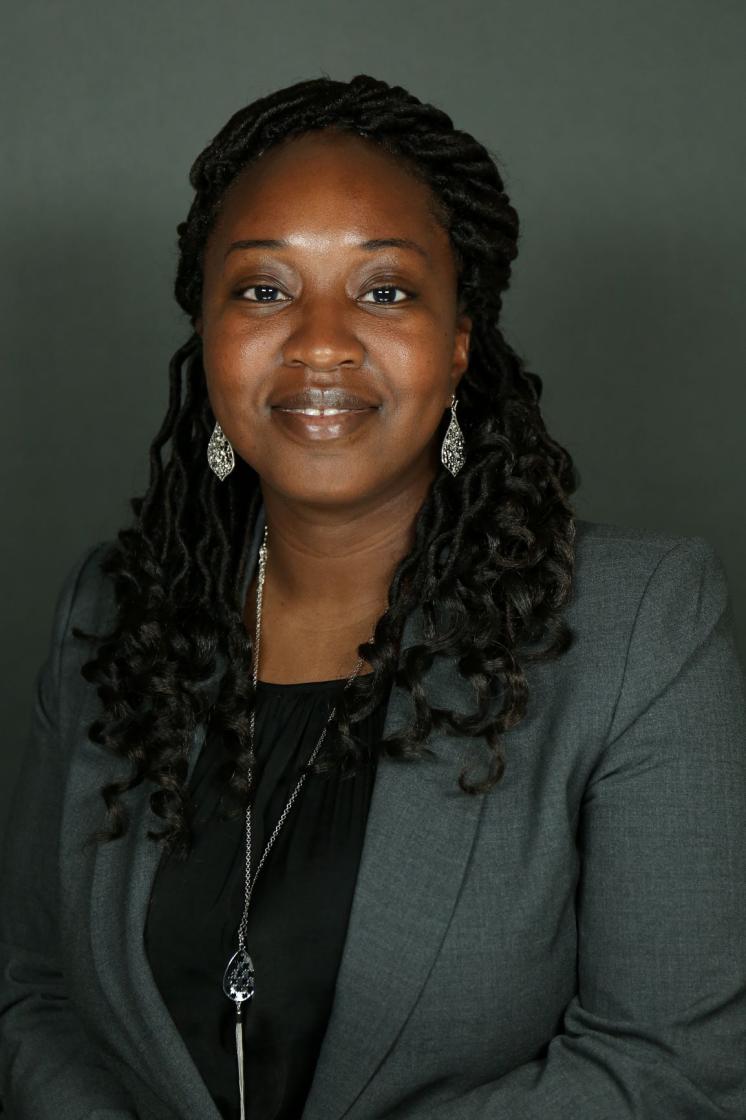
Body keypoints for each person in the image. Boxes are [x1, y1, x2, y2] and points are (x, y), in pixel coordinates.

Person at [1, 72, 745, 1120]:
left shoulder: (639, 627)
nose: (318, 341)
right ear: (206, 338)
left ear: (456, 342)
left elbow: (667, 1068)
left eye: (384, 290)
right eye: (262, 289)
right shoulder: (110, 616)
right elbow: (35, 999)